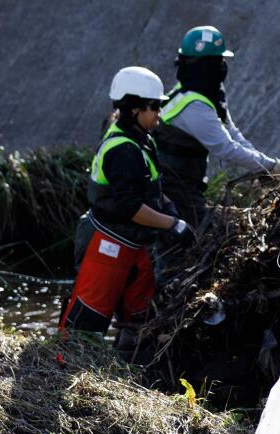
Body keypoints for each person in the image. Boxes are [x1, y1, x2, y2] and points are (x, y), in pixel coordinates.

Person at [60, 67, 194, 355]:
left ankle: (130, 373)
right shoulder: (123, 150)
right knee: (85, 324)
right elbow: (130, 207)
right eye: (155, 107)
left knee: (140, 320)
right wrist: (172, 224)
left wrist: (166, 207)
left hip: (133, 244)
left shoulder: (139, 139)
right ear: (134, 109)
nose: (159, 113)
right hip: (106, 245)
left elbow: (146, 188)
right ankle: (60, 372)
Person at [152, 25, 280, 228]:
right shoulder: (194, 106)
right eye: (219, 60)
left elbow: (232, 132)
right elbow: (225, 148)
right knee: (199, 232)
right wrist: (273, 166)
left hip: (187, 184)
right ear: (205, 65)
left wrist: (263, 166)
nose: (223, 65)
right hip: (173, 189)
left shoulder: (206, 92)